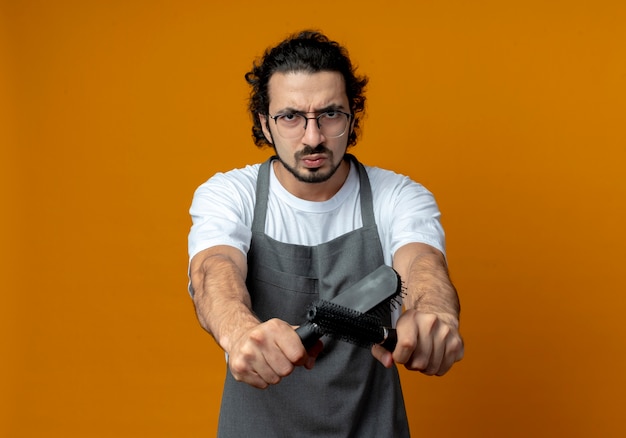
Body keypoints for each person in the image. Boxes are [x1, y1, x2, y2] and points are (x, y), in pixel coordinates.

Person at [187, 30, 464, 438]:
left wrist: (433, 314)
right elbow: (214, 271)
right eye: (291, 117)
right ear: (265, 123)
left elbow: (424, 265)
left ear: (353, 116)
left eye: (330, 114)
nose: (313, 137)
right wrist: (239, 331)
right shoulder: (229, 194)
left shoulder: (398, 195)